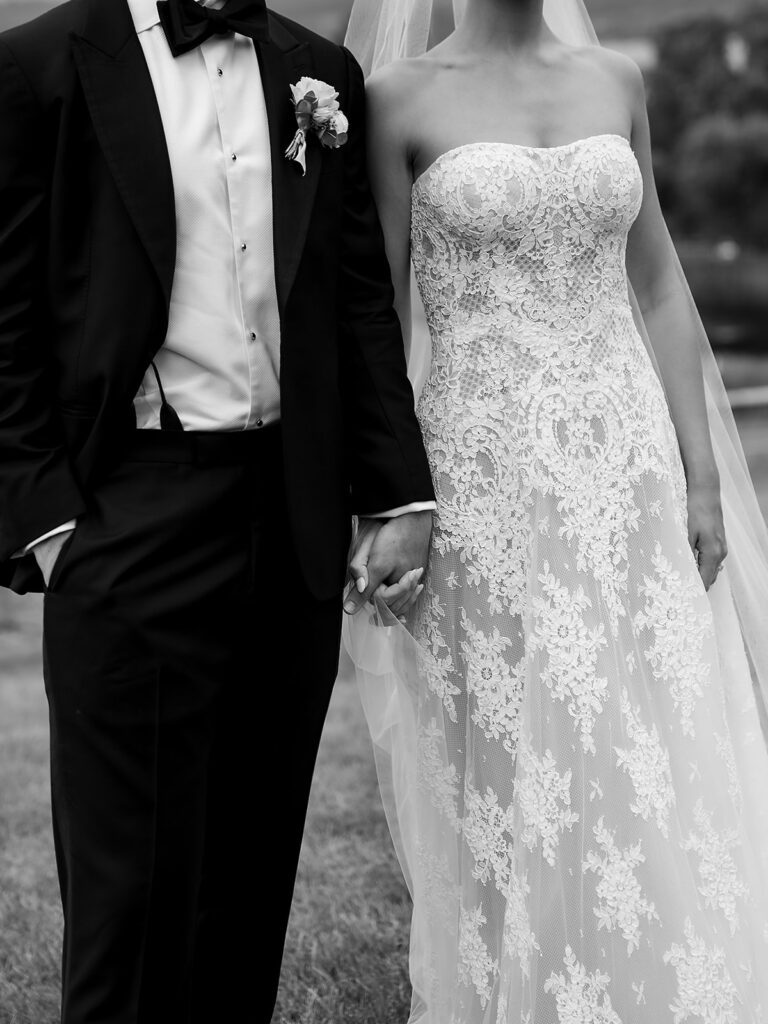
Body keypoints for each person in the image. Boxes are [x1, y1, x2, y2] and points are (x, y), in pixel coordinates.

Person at [0, 0, 436, 1019]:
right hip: (129, 511)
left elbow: (355, 297)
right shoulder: (36, 67)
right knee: (128, 900)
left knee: (247, 889)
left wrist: (397, 490)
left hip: (290, 517)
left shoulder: (317, 68)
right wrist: (51, 527)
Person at [343, 0, 768, 1020]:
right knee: (510, 755)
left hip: (628, 470)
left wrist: (701, 472)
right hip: (480, 478)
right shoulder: (399, 97)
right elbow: (378, 311)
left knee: (644, 731)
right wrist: (385, 502)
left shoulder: (616, 79)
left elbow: (659, 278)